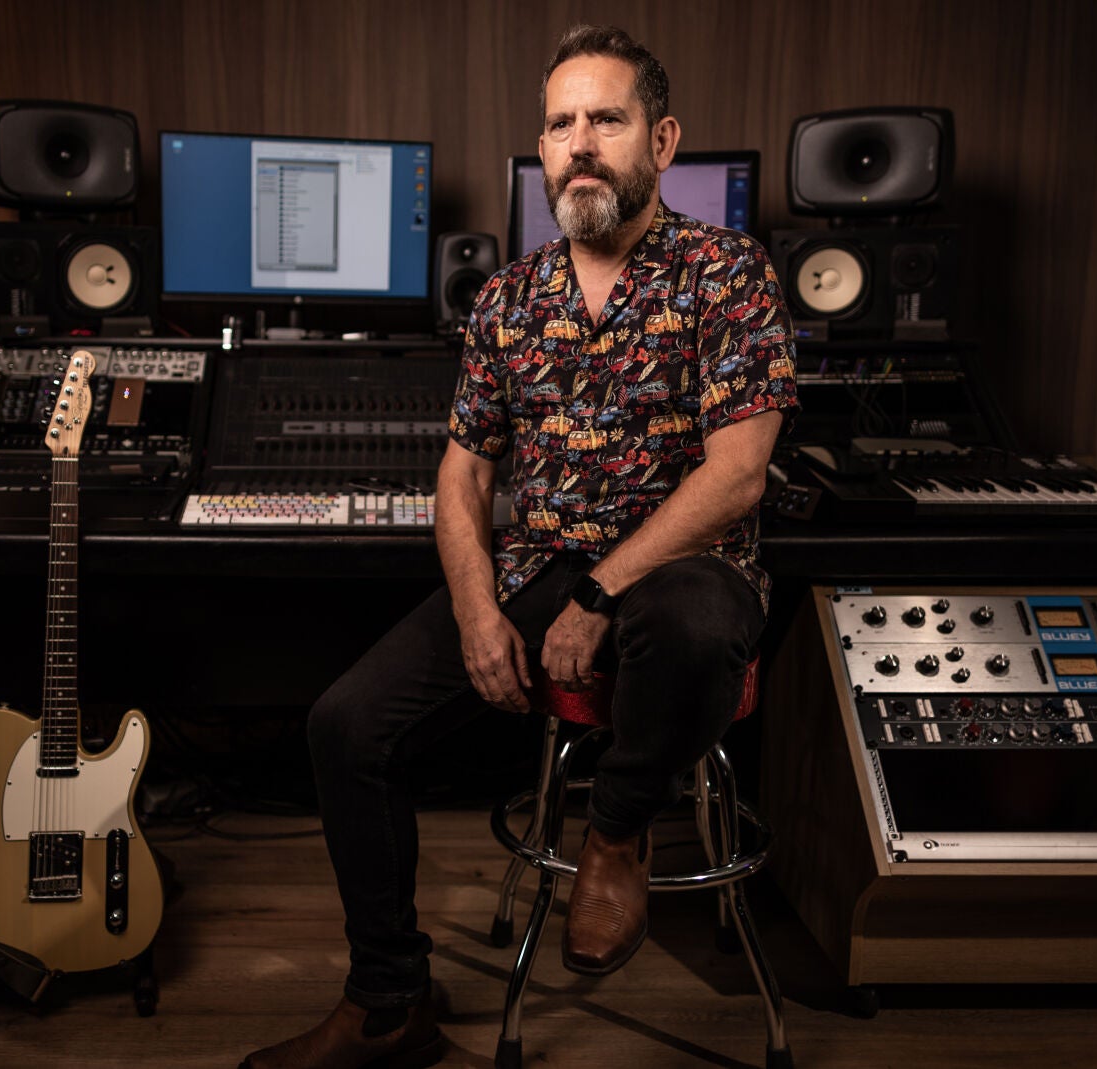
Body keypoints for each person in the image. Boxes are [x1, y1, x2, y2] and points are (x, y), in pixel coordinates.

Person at [240, 24, 798, 1069]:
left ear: (661, 140)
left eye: (606, 119)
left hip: (685, 567)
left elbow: (736, 477)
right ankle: (389, 1000)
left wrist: (598, 595)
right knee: (345, 724)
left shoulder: (727, 273)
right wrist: (476, 611)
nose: (580, 144)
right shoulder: (509, 298)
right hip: (539, 566)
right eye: (559, 124)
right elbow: (462, 475)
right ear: (541, 147)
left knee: (689, 622)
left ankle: (617, 828)